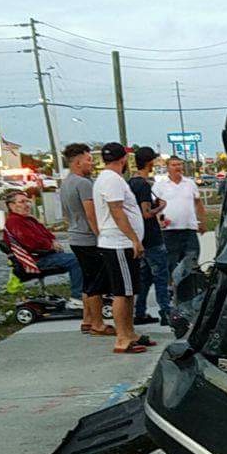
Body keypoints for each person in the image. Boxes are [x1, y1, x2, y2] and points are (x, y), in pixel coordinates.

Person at [92, 142, 154, 353]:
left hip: (121, 241)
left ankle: (130, 332)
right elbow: (117, 211)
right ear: (123, 159)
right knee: (122, 292)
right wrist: (134, 239)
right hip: (119, 243)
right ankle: (122, 339)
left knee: (129, 292)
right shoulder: (111, 180)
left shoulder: (110, 179)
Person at [58, 143, 112, 336]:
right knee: (97, 283)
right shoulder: (84, 184)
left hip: (75, 236)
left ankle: (87, 319)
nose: (91, 163)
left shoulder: (66, 183)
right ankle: (98, 323)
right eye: (89, 159)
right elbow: (91, 214)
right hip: (88, 239)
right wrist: (101, 236)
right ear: (78, 162)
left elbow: (65, 214)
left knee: (88, 280)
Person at [2, 190, 83, 309]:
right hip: (36, 260)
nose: (27, 204)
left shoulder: (28, 219)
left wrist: (52, 241)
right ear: (12, 205)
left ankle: (88, 293)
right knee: (77, 261)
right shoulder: (14, 222)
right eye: (22, 202)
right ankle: (77, 298)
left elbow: (46, 233)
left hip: (44, 255)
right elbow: (30, 243)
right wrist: (49, 245)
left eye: (27, 201)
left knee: (83, 257)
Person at [128, 146, 172, 327]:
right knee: (161, 276)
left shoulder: (131, 182)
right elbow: (146, 213)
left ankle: (140, 311)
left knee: (144, 278)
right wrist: (161, 206)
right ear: (149, 162)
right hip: (152, 237)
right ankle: (166, 312)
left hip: (139, 237)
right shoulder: (144, 185)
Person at [156, 156, 208, 277]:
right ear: (168, 167)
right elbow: (154, 207)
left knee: (192, 259)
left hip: (189, 229)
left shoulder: (190, 184)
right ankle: (172, 288)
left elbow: (198, 203)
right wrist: (161, 220)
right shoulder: (160, 186)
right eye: (174, 165)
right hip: (169, 231)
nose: (177, 167)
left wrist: (202, 221)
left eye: (179, 164)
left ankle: (190, 287)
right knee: (171, 262)